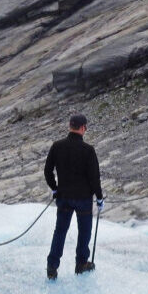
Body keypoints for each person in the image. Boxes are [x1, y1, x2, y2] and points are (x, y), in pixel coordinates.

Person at [43, 113, 103, 279]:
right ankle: (81, 263)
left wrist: (54, 188)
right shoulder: (88, 150)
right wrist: (99, 197)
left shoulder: (57, 146)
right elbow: (94, 177)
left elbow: (48, 170)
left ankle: (52, 266)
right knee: (84, 232)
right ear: (83, 128)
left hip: (63, 196)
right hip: (83, 199)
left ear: (70, 126)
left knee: (60, 231)